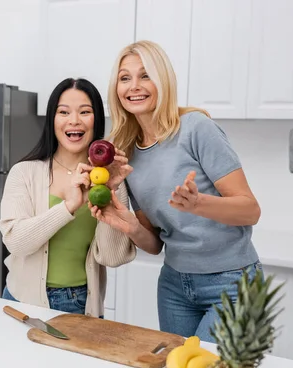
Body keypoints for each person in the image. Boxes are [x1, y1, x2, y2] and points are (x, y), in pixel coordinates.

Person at [90, 41, 262, 341]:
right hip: (175, 286)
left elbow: (250, 210)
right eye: (125, 77)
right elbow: (155, 244)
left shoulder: (196, 128)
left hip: (232, 282)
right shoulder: (126, 151)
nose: (134, 86)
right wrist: (129, 225)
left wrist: (199, 204)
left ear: (163, 79)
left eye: (145, 75)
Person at [0, 77, 137, 318]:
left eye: (85, 112)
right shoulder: (25, 172)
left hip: (81, 304)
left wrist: (112, 194)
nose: (74, 120)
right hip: (22, 300)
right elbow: (16, 242)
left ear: (96, 121)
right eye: (64, 112)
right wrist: (69, 207)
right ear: (52, 119)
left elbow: (112, 257)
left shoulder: (108, 180)